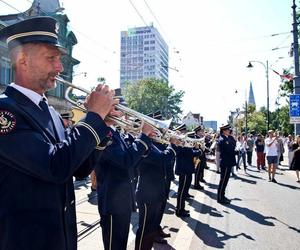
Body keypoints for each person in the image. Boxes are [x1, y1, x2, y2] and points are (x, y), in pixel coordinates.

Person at [0, 17, 118, 250]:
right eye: (51, 58)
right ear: (23, 60)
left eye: (60, 59)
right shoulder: (6, 111)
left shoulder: (52, 113)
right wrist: (92, 118)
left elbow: (79, 169)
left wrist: (103, 128)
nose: (60, 68)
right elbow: (55, 165)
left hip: (60, 238)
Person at [95, 118, 155, 250]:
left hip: (123, 199)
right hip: (112, 201)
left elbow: (132, 163)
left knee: (121, 243)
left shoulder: (115, 132)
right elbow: (125, 160)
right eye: (115, 108)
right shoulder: (103, 133)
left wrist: (146, 142)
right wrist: (143, 137)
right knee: (114, 245)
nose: (121, 114)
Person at [135, 138, 179, 250]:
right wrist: (172, 144)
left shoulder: (152, 144)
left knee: (150, 228)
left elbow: (164, 156)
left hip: (155, 191)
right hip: (147, 193)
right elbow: (163, 158)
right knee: (145, 228)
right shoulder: (145, 145)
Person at [217, 124, 236, 204]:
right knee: (223, 180)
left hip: (229, 161)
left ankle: (222, 195)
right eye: (228, 130)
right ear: (224, 130)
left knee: (226, 180)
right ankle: (220, 197)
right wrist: (236, 151)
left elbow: (234, 144)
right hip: (225, 162)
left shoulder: (228, 137)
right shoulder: (222, 139)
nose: (229, 131)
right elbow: (229, 150)